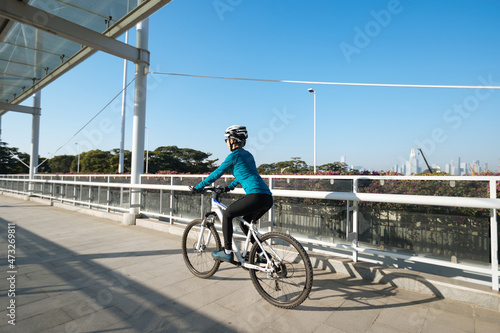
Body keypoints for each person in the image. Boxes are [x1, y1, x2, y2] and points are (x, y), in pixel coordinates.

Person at [191, 125, 273, 262]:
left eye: (227, 140)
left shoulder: (233, 156)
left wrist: (198, 187)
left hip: (255, 196)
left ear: (233, 140)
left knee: (228, 214)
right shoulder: (248, 155)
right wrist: (228, 188)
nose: (226, 143)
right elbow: (244, 175)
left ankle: (227, 251)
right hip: (267, 198)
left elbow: (217, 173)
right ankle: (261, 254)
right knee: (245, 223)